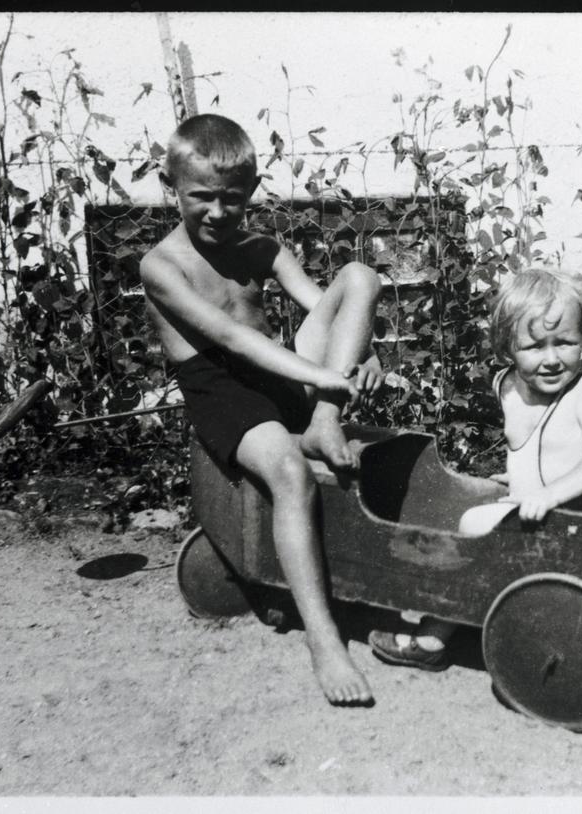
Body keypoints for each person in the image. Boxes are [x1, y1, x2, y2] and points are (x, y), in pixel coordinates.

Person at [139, 113, 383, 705]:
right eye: (202, 198)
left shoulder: (262, 248)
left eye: (233, 199)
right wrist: (327, 374)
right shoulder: (161, 266)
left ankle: (322, 424)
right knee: (290, 474)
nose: (219, 213)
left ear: (250, 190)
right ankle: (324, 641)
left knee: (359, 274)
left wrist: (364, 350)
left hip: (279, 373)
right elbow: (231, 339)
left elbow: (319, 303)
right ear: (171, 184)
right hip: (221, 389)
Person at [368, 269, 582, 671]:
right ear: (508, 345)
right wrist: (522, 481)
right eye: (535, 347)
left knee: (472, 525)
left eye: (566, 343)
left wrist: (548, 493)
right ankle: (473, 602)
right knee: (480, 503)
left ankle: (434, 636)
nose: (552, 359)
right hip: (536, 512)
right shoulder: (505, 385)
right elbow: (538, 450)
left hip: (575, 520)